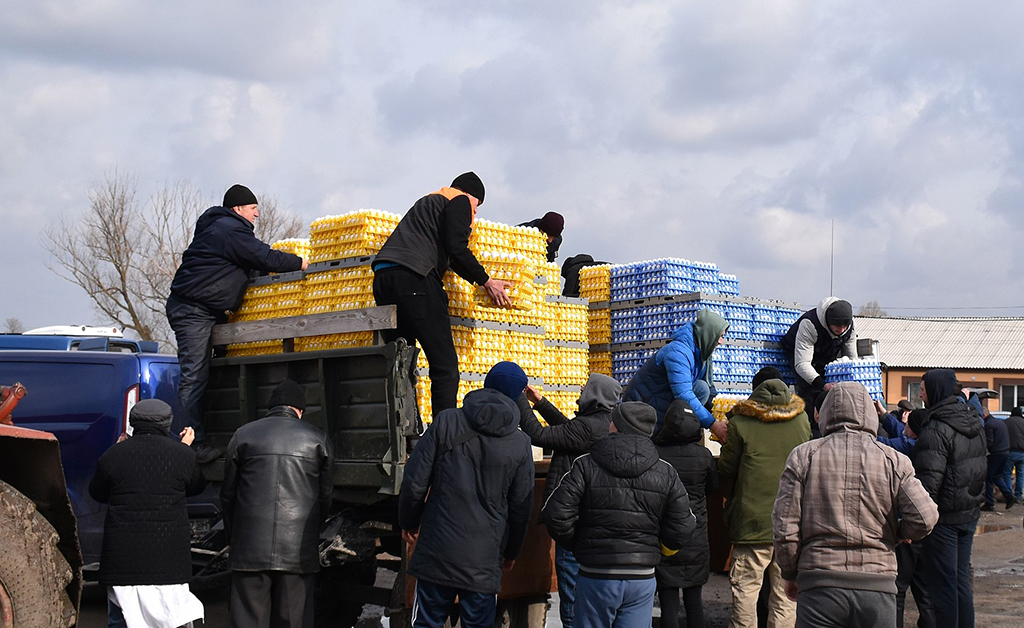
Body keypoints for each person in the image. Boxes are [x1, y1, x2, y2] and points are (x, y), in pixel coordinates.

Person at [772, 382, 939, 628]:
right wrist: (896, 532)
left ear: (825, 413)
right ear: (869, 414)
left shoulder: (803, 456)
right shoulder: (894, 460)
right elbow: (925, 517)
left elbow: (785, 526)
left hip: (820, 583)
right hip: (877, 584)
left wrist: (789, 573)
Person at [167, 184, 307, 462]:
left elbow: (251, 263)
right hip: (193, 310)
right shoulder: (228, 229)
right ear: (238, 209)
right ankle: (190, 445)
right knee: (194, 376)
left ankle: (201, 437)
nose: (257, 215)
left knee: (209, 374)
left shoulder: (221, 230)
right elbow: (264, 256)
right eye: (254, 209)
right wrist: (301, 263)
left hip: (206, 310)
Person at [399, 361, 535, 628]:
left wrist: (408, 521)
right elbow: (521, 506)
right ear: (518, 397)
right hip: (484, 560)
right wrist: (511, 551)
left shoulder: (447, 421)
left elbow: (415, 480)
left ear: (486, 384)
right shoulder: (520, 444)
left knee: (426, 622)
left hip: (437, 552)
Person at [542, 401, 696, 628]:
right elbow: (684, 524)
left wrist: (580, 544)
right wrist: (660, 549)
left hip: (596, 574)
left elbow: (555, 514)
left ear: (615, 427)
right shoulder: (665, 471)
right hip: (641, 576)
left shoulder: (585, 465)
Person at [373, 172, 510, 420]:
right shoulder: (458, 200)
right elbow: (457, 247)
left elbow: (448, 250)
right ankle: (443, 436)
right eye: (477, 206)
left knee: (401, 363)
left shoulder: (428, 201)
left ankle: (404, 434)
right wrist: (486, 281)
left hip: (383, 277)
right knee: (445, 368)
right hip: (414, 279)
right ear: (470, 196)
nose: (475, 214)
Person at [221, 380, 333, 628]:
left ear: (271, 407)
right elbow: (324, 498)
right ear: (300, 410)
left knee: (248, 619)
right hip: (297, 551)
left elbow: (228, 495)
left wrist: (234, 537)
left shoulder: (243, 435)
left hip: (249, 547)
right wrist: (311, 537)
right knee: (294, 619)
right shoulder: (317, 439)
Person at [516, 373, 622, 628]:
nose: (581, 390)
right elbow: (567, 430)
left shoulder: (586, 428)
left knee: (572, 597)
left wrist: (518, 398)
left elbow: (538, 434)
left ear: (595, 394)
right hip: (593, 521)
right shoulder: (601, 424)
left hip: (574, 523)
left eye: (586, 387)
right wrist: (541, 404)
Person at [89, 399, 206, 628]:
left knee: (122, 619)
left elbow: (98, 493)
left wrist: (117, 447)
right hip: (169, 560)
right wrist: (184, 448)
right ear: (167, 424)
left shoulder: (113, 455)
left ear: (133, 423)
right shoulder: (182, 455)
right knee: (173, 618)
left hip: (123, 561)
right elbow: (196, 487)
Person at [719, 366, 810, 628]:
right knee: (785, 596)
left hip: (751, 522)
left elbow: (726, 468)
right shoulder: (801, 419)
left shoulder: (740, 423)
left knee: (746, 591)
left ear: (754, 391)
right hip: (792, 522)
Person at [912, 369, 987, 628]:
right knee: (960, 582)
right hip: (968, 513)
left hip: (943, 519)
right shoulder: (974, 421)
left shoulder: (936, 427)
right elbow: (979, 469)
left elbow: (928, 482)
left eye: (923, 389)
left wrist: (917, 521)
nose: (921, 394)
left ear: (936, 391)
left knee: (943, 586)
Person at [654, 401, 719, 628]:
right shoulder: (704, 456)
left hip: (666, 537)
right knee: (694, 603)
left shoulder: (656, 454)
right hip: (696, 534)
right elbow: (712, 488)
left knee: (668, 604)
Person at [622, 309, 730, 441]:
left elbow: (710, 389)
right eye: (720, 336)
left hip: (663, 401)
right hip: (645, 406)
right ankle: (666, 436)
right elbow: (683, 394)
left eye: (723, 336)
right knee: (699, 390)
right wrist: (713, 425)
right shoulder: (678, 353)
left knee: (703, 388)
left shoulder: (702, 353)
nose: (720, 341)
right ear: (708, 333)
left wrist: (724, 414)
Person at [780, 297, 857, 437]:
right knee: (810, 391)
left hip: (825, 354)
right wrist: (822, 384)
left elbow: (851, 358)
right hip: (799, 353)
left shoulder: (849, 327)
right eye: (837, 326)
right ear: (828, 322)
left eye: (844, 326)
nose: (841, 330)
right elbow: (802, 364)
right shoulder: (809, 324)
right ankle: (809, 431)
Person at [969, 393, 1015, 510]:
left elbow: (989, 442)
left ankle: (990, 503)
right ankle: (1009, 495)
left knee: (989, 478)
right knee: (997, 476)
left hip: (996, 454)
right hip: (1005, 452)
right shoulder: (999, 422)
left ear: (984, 415)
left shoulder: (989, 425)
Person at [1004, 407, 1024, 506]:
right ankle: (1019, 496)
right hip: (1022, 452)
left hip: (1010, 451)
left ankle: (1009, 495)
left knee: (1007, 474)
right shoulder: (1023, 422)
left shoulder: (1007, 422)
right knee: (1020, 475)